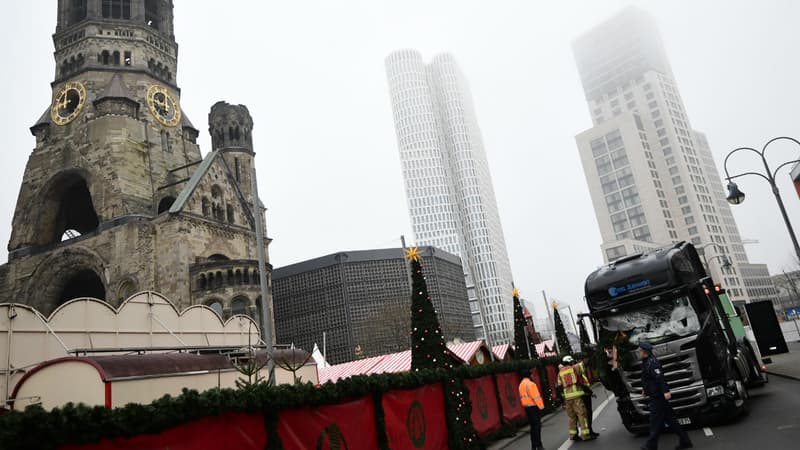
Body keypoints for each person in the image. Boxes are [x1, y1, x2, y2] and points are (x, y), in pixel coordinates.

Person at [639, 341, 693, 450]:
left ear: (645, 352)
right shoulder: (646, 362)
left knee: (654, 421)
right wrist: (645, 390)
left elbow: (660, 378)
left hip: (657, 396)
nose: (639, 352)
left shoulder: (652, 362)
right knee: (671, 420)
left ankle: (651, 445)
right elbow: (647, 379)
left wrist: (665, 391)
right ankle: (685, 441)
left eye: (640, 350)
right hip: (655, 394)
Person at [556, 355, 595, 442]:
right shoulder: (573, 368)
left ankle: (573, 435)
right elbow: (583, 364)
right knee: (582, 414)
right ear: (570, 362)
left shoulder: (560, 373)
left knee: (572, 417)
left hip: (567, 398)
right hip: (577, 396)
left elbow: (559, 386)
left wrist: (563, 399)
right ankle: (585, 435)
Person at [519, 369, 545, 450]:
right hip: (534, 407)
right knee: (537, 426)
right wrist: (541, 407)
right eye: (531, 374)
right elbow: (536, 397)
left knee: (533, 427)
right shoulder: (531, 384)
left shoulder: (521, 385)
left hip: (527, 408)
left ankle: (533, 446)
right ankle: (539, 445)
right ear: (529, 375)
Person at [576, 357, 600, 439]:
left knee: (588, 413)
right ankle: (588, 432)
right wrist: (589, 392)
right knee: (587, 414)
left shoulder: (582, 368)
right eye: (586, 359)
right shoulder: (579, 367)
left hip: (585, 394)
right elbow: (581, 383)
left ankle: (590, 430)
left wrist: (590, 392)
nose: (588, 360)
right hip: (583, 394)